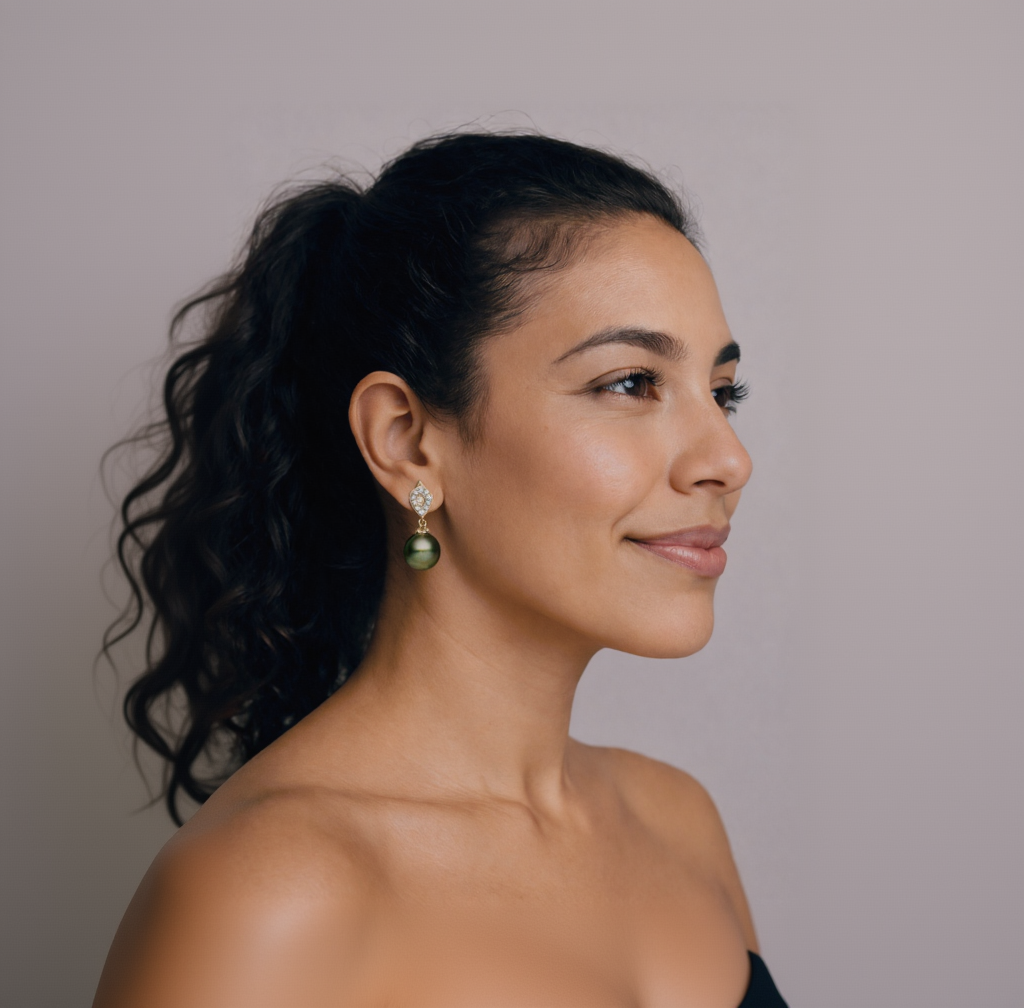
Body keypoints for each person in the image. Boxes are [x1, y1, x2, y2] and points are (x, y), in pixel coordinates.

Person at [94, 131, 787, 1007]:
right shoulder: (269, 893)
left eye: (723, 393)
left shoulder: (678, 820)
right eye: (630, 383)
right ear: (408, 441)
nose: (728, 458)